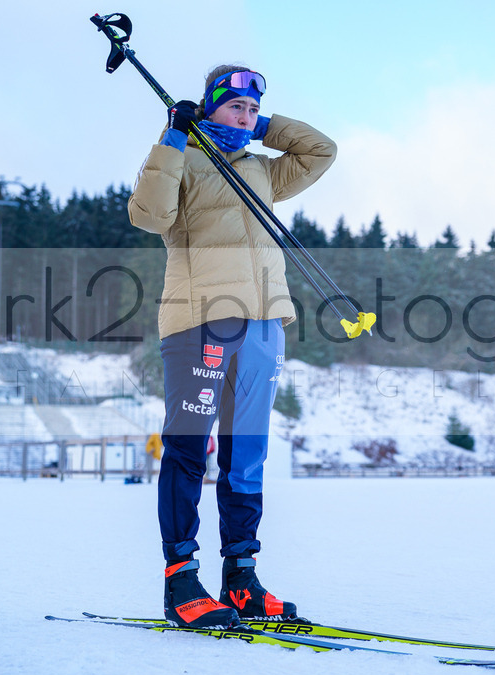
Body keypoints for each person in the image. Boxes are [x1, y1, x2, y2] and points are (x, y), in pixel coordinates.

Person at [128, 65, 336, 628]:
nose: (244, 116)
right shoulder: (185, 162)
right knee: (190, 451)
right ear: (207, 106)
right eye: (234, 107)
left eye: (252, 108)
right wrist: (174, 137)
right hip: (200, 322)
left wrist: (261, 125)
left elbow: (321, 151)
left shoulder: (262, 171)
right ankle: (181, 580)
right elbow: (148, 216)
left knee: (247, 455)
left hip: (265, 325)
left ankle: (240, 576)